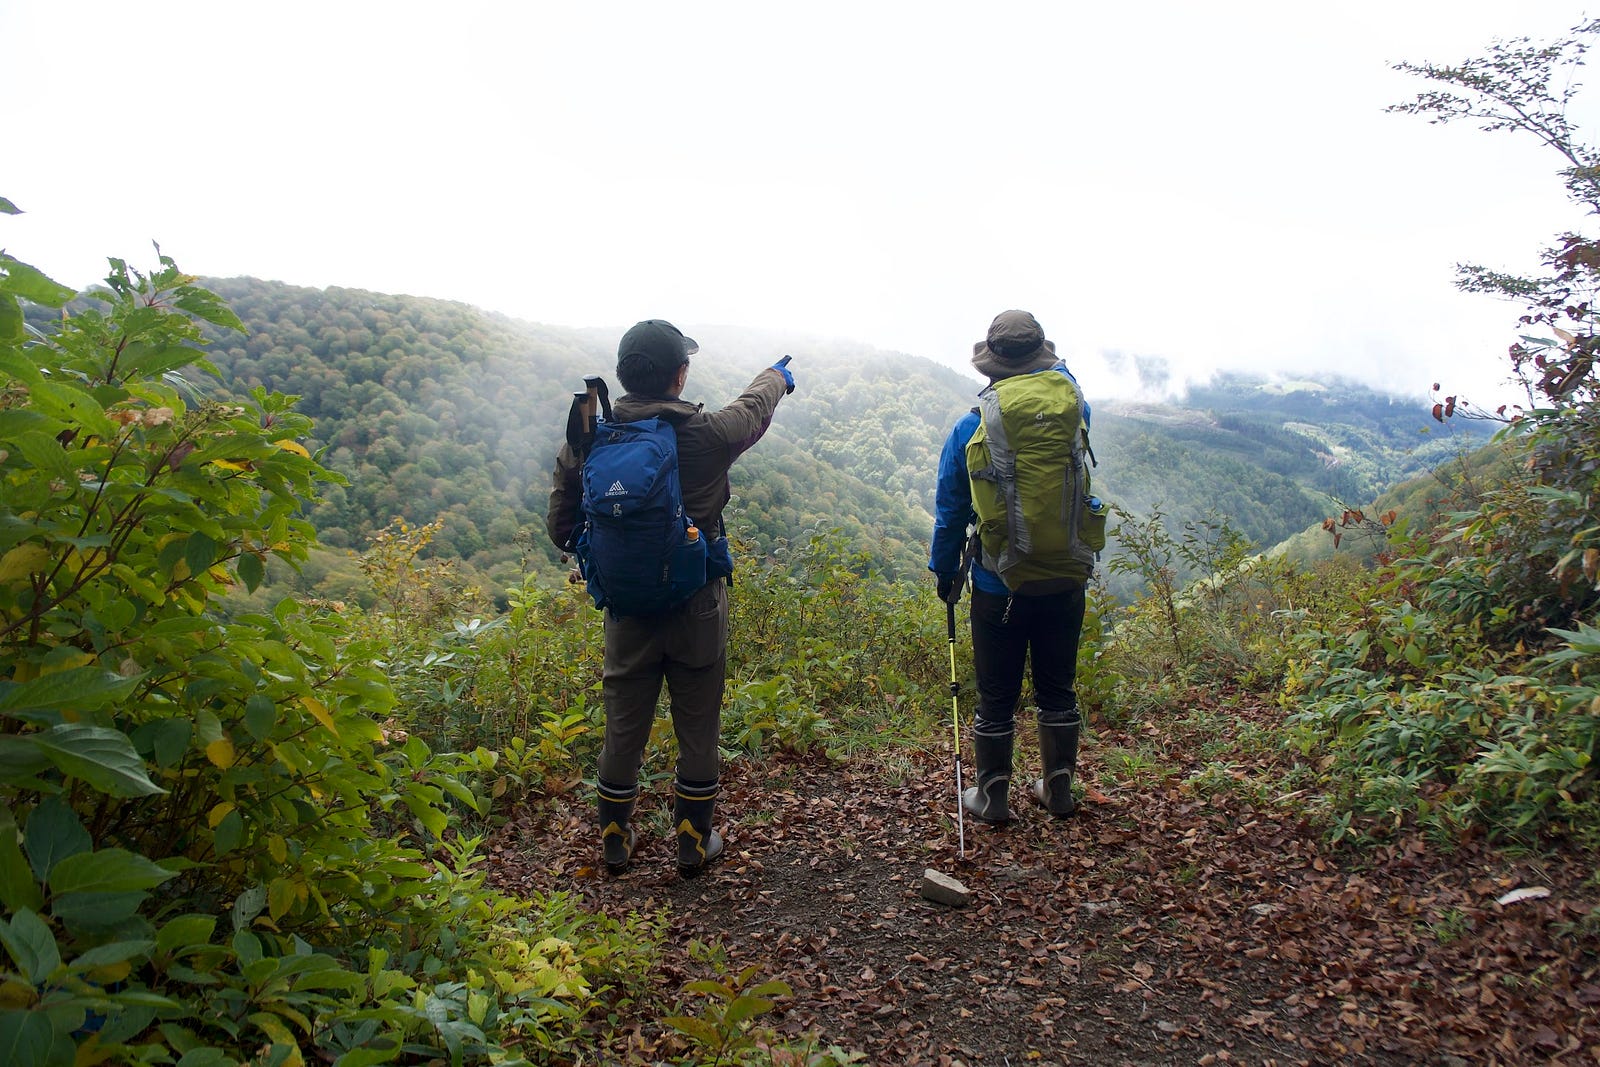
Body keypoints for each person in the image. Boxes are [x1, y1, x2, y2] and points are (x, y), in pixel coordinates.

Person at [546, 319, 793, 876]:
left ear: (623, 375)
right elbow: (753, 408)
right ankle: (692, 841)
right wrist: (779, 376)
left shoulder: (590, 438)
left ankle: (615, 838)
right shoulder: (707, 436)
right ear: (680, 376)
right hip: (696, 604)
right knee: (698, 722)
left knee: (624, 723)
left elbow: (560, 526)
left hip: (627, 608)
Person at [929, 310, 1091, 823]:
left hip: (1000, 582)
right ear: (1042, 357)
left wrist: (943, 571)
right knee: (1057, 686)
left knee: (997, 692)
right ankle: (1058, 789)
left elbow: (951, 509)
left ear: (993, 366)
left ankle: (992, 797)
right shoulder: (1075, 408)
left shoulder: (970, 427)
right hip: (1066, 572)